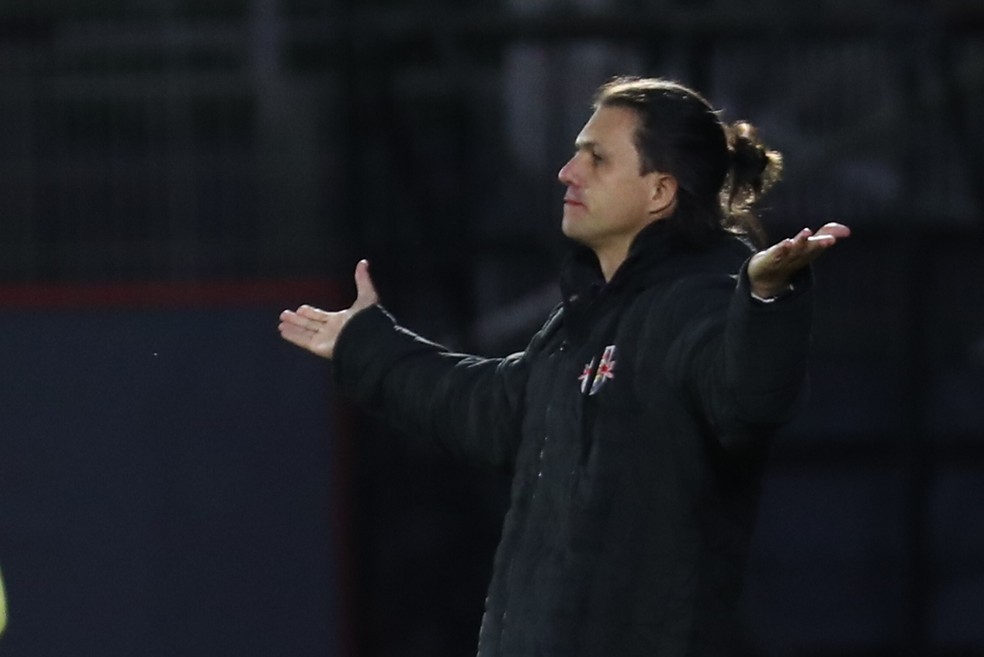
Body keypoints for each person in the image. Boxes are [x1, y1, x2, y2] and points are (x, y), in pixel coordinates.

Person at [279, 76, 850, 656]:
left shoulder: (695, 306)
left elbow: (749, 399)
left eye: (596, 158)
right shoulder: (580, 325)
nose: (567, 172)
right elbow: (485, 407)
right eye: (576, 153)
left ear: (660, 191)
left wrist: (766, 300)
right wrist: (366, 343)